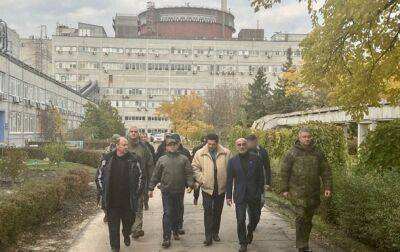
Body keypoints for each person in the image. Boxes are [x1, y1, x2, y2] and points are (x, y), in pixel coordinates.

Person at [281, 128, 332, 252]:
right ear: (299, 137)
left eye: (309, 136)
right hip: (297, 192)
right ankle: (301, 245)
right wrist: (285, 189)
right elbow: (285, 171)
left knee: (308, 220)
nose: (307, 139)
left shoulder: (318, 153)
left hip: (313, 193)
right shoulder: (292, 153)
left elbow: (325, 170)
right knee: (301, 217)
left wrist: (328, 187)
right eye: (304, 137)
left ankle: (305, 243)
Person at [95, 137, 144, 252]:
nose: (126, 147)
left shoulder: (134, 159)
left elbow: (142, 177)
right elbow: (98, 177)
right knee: (113, 227)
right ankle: (115, 247)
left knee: (129, 223)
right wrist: (103, 191)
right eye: (124, 145)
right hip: (112, 200)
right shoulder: (107, 159)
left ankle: (126, 234)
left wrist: (136, 193)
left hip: (128, 200)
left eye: (127, 145)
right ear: (117, 145)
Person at [148, 137, 196, 248]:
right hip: (166, 191)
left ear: (178, 145)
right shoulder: (162, 159)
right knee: (168, 213)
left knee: (177, 212)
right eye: (170, 145)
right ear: (166, 147)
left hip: (179, 191)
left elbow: (189, 173)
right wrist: (151, 188)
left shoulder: (183, 159)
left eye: (174, 144)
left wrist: (190, 184)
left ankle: (175, 230)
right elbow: (156, 175)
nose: (172, 146)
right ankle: (166, 237)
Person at [192, 133, 232, 246]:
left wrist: (228, 182)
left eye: (213, 144)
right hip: (207, 187)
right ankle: (208, 236)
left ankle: (215, 233)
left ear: (217, 143)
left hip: (220, 187)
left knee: (217, 212)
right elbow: (194, 167)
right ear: (206, 142)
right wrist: (202, 179)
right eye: (209, 144)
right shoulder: (200, 153)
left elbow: (230, 169)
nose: (211, 146)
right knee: (208, 211)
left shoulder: (226, 153)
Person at [226, 138, 264, 252]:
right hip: (240, 194)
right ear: (236, 146)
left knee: (255, 217)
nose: (241, 146)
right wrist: (228, 196)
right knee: (240, 219)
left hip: (254, 194)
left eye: (243, 144)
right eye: (239, 145)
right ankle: (243, 243)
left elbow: (261, 177)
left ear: (247, 145)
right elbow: (229, 180)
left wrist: (260, 191)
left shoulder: (256, 159)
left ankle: (250, 229)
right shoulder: (232, 161)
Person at [127, 126, 154, 239]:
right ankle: (129, 227)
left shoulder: (144, 147)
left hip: (140, 182)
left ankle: (137, 229)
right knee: (128, 207)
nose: (133, 133)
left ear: (138, 134)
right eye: (131, 132)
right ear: (128, 133)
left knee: (138, 206)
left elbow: (150, 164)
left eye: (135, 132)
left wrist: (151, 184)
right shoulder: (123, 145)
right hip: (125, 182)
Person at [246, 134, 272, 229]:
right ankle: (251, 220)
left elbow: (267, 167)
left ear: (256, 142)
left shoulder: (262, 152)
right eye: (249, 143)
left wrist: (268, 183)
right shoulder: (244, 150)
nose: (250, 144)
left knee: (261, 202)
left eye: (252, 142)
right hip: (249, 182)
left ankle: (255, 216)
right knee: (250, 202)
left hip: (260, 181)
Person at [96, 133, 121, 223]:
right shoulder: (107, 150)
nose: (115, 142)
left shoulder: (120, 149)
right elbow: (102, 162)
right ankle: (106, 213)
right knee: (102, 195)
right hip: (106, 174)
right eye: (115, 140)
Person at [140, 132, 156, 210]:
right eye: (142, 137)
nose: (143, 138)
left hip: (147, 169)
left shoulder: (150, 147)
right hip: (139, 170)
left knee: (146, 188)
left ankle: (146, 202)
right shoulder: (138, 146)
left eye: (144, 137)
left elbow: (153, 158)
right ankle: (141, 202)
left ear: (147, 138)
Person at [191, 136, 207, 205]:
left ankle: (196, 198)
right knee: (202, 186)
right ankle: (198, 198)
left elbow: (192, 158)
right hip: (201, 168)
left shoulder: (196, 148)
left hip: (200, 168)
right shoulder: (198, 148)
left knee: (198, 186)